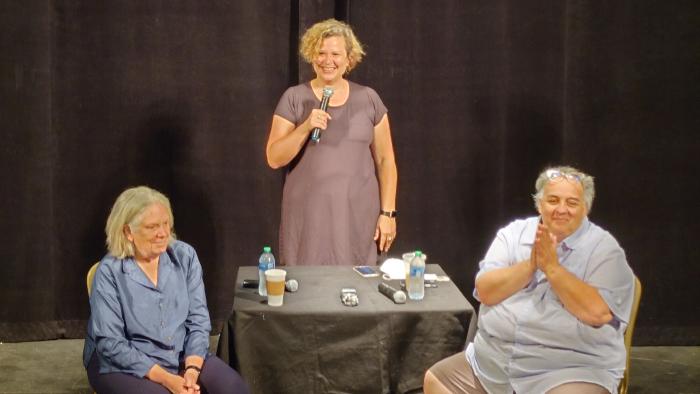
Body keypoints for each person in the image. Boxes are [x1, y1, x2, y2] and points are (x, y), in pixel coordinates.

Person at [424, 166, 635, 394]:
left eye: (572, 203)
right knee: (437, 380)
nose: (561, 209)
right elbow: (485, 290)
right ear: (540, 203)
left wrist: (552, 269)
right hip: (495, 363)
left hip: (569, 369)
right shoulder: (514, 234)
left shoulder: (605, 250)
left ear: (585, 208)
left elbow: (598, 313)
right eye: (553, 200)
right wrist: (531, 265)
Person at [83, 186, 249, 394]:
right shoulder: (110, 271)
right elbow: (111, 342)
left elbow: (198, 320)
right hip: (122, 362)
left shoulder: (185, 256)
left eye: (165, 224)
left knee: (234, 388)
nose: (163, 233)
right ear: (128, 232)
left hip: (179, 353)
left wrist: (191, 370)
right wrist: (167, 379)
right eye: (152, 227)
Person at [266, 18, 398, 266]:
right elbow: (274, 157)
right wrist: (305, 126)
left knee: (360, 291)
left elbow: (385, 159)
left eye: (335, 54)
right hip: (308, 220)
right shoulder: (294, 98)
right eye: (321, 53)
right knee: (308, 293)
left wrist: (388, 213)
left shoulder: (369, 99)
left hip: (357, 219)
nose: (328, 61)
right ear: (311, 55)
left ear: (349, 59)